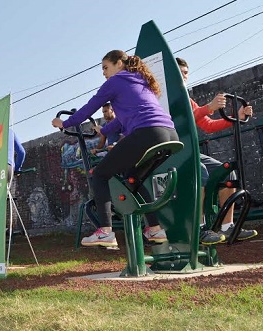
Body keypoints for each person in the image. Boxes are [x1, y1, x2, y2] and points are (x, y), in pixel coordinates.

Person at [52, 50, 179, 247]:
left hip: (147, 133)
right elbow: (123, 119)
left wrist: (65, 123)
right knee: (133, 179)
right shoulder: (139, 80)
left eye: (105, 67)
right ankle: (155, 229)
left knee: (100, 174)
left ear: (119, 63)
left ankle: (105, 232)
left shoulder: (116, 81)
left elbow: (89, 108)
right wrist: (103, 131)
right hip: (169, 134)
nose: (103, 72)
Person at [176, 57, 258, 244]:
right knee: (200, 172)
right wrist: (208, 107)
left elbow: (208, 126)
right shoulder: (163, 98)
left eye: (186, 73)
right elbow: (178, 122)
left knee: (227, 172)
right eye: (178, 72)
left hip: (190, 152)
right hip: (172, 152)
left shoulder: (188, 100)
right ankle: (200, 228)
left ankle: (227, 227)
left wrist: (234, 117)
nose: (183, 76)